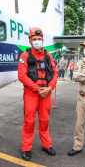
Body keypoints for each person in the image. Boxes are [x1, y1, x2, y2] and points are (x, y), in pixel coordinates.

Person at [18, 28, 58, 161]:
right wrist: (37, 88)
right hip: (31, 93)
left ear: (42, 40)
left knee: (44, 120)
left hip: (46, 93)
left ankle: (46, 145)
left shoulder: (48, 56)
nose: (37, 41)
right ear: (29, 41)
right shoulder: (24, 56)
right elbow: (22, 76)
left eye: (39, 39)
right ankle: (26, 148)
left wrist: (49, 87)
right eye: (34, 39)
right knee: (29, 121)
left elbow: (55, 72)